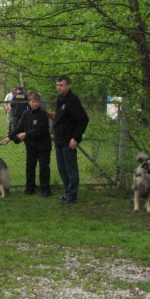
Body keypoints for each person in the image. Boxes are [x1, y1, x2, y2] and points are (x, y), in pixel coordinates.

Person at [2, 93, 52, 196]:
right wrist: (9, 138)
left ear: (40, 102)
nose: (35, 103)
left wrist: (26, 134)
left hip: (43, 146)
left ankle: (45, 190)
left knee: (44, 168)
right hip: (31, 147)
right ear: (29, 102)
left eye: (37, 101)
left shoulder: (43, 114)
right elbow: (18, 128)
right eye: (32, 101)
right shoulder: (25, 114)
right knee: (30, 167)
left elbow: (40, 130)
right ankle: (30, 188)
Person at [53, 75, 89, 204]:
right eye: (57, 85)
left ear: (68, 85)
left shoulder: (72, 100)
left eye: (61, 85)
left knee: (70, 169)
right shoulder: (60, 99)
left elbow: (83, 119)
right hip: (59, 139)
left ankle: (72, 195)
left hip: (69, 140)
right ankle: (68, 192)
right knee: (62, 169)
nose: (58, 87)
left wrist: (75, 138)